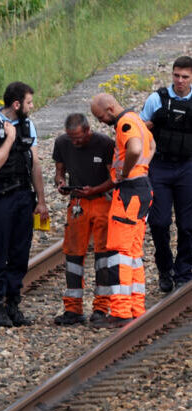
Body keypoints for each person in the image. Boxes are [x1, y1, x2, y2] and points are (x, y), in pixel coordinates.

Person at [0, 81, 49, 327]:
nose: (32, 106)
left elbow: (35, 164)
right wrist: (9, 139)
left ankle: (13, 303)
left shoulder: (28, 125)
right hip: (0, 198)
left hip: (23, 196)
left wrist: (41, 200)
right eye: (29, 102)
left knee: (20, 253)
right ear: (16, 104)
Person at [90, 93, 155, 327]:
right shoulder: (137, 119)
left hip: (129, 191)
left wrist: (126, 172)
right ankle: (136, 307)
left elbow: (136, 148)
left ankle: (119, 311)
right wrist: (141, 169)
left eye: (100, 117)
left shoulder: (125, 123)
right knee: (134, 253)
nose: (100, 122)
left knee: (119, 253)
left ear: (109, 108)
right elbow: (151, 145)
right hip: (143, 188)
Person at [52, 113, 115, 325]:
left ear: (88, 130)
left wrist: (95, 189)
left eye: (78, 137)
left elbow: (114, 178)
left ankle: (101, 308)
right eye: (72, 138)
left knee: (103, 255)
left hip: (101, 201)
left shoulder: (105, 144)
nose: (75, 142)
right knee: (72, 255)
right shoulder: (62, 143)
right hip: (77, 202)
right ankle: (73, 309)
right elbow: (59, 171)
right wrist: (60, 182)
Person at [140, 55, 192, 292]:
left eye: (185, 77)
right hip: (160, 166)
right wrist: (154, 123)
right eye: (176, 76)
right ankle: (165, 268)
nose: (179, 81)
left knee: (187, 224)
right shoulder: (156, 99)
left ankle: (184, 270)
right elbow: (138, 131)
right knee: (159, 223)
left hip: (187, 166)